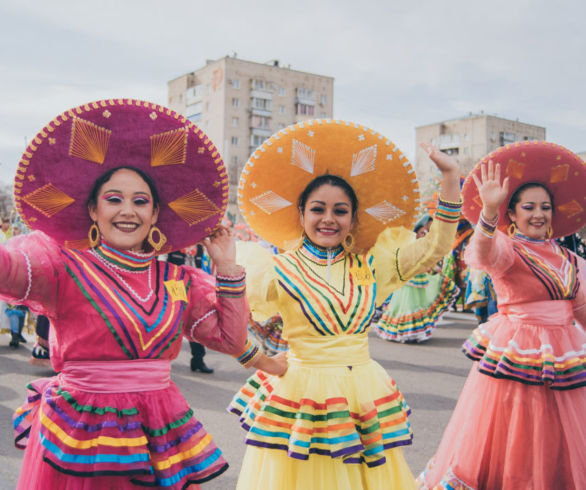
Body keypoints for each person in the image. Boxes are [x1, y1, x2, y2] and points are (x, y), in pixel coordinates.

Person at [6, 99, 257, 489]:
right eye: (114, 199)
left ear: (156, 214)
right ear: (92, 209)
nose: (128, 211)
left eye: (141, 201)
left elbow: (230, 339)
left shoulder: (179, 278)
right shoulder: (62, 265)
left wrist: (226, 266)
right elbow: (8, 270)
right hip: (81, 433)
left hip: (155, 431)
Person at [227, 120, 462, 489]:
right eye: (318, 209)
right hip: (299, 392)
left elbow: (436, 245)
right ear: (301, 213)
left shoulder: (373, 264)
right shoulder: (275, 269)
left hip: (361, 392)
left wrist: (450, 177)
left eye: (340, 211)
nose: (328, 219)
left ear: (353, 219)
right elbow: (226, 318)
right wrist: (256, 360)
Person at [417, 142, 586, 489]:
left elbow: (582, 308)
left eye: (545, 207)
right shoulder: (507, 248)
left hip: (566, 357)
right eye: (529, 207)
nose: (538, 214)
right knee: (518, 435)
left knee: (561, 441)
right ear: (514, 214)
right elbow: (480, 255)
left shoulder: (572, 261)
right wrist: (489, 213)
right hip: (519, 354)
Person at [374, 214, 460, 343]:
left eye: (428, 231)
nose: (425, 234)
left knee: (417, 305)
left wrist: (434, 268)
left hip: (419, 280)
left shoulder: (425, 244)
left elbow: (428, 260)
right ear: (418, 229)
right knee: (406, 306)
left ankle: (413, 333)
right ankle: (406, 332)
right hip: (408, 280)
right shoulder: (410, 242)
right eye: (423, 231)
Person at [166, 249, 214, 373]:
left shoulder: (199, 247)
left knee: (196, 321)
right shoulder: (173, 244)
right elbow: (163, 264)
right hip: (175, 284)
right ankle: (164, 358)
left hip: (194, 286)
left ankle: (198, 359)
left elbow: (202, 266)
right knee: (174, 321)